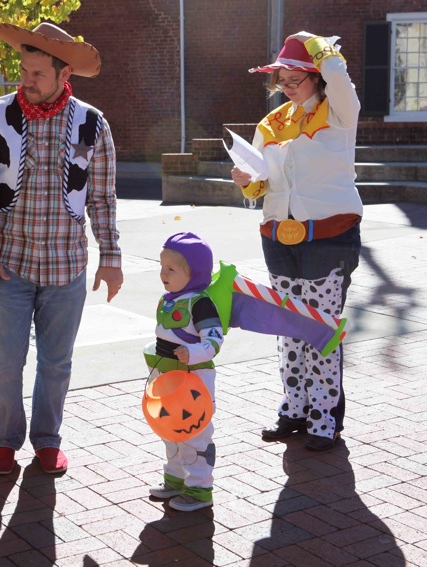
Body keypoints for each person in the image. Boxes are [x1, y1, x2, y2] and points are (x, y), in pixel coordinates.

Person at [0, 21, 123, 476]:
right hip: (8, 265)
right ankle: (4, 442)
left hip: (66, 267)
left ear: (63, 72)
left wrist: (111, 258)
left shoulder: (92, 122)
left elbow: (102, 196)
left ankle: (48, 441)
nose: (26, 81)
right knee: (4, 365)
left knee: (56, 364)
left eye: (37, 73)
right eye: (23, 71)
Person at [231, 31, 362, 452]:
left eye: (294, 79)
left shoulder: (339, 111)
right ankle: (295, 407)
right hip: (278, 238)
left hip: (330, 237)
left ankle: (325, 417)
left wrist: (314, 43)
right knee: (288, 328)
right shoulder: (271, 123)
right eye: (281, 80)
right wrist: (246, 182)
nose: (285, 87)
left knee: (320, 329)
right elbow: (262, 186)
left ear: (315, 76)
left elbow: (338, 75)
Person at [144, 232, 223, 512]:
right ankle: (175, 479)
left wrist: (194, 352)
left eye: (171, 269)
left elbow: (214, 340)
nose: (163, 274)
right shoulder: (168, 299)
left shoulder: (200, 303)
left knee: (194, 434)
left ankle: (200, 490)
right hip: (167, 379)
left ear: (194, 274)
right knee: (170, 431)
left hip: (193, 382)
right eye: (161, 266)